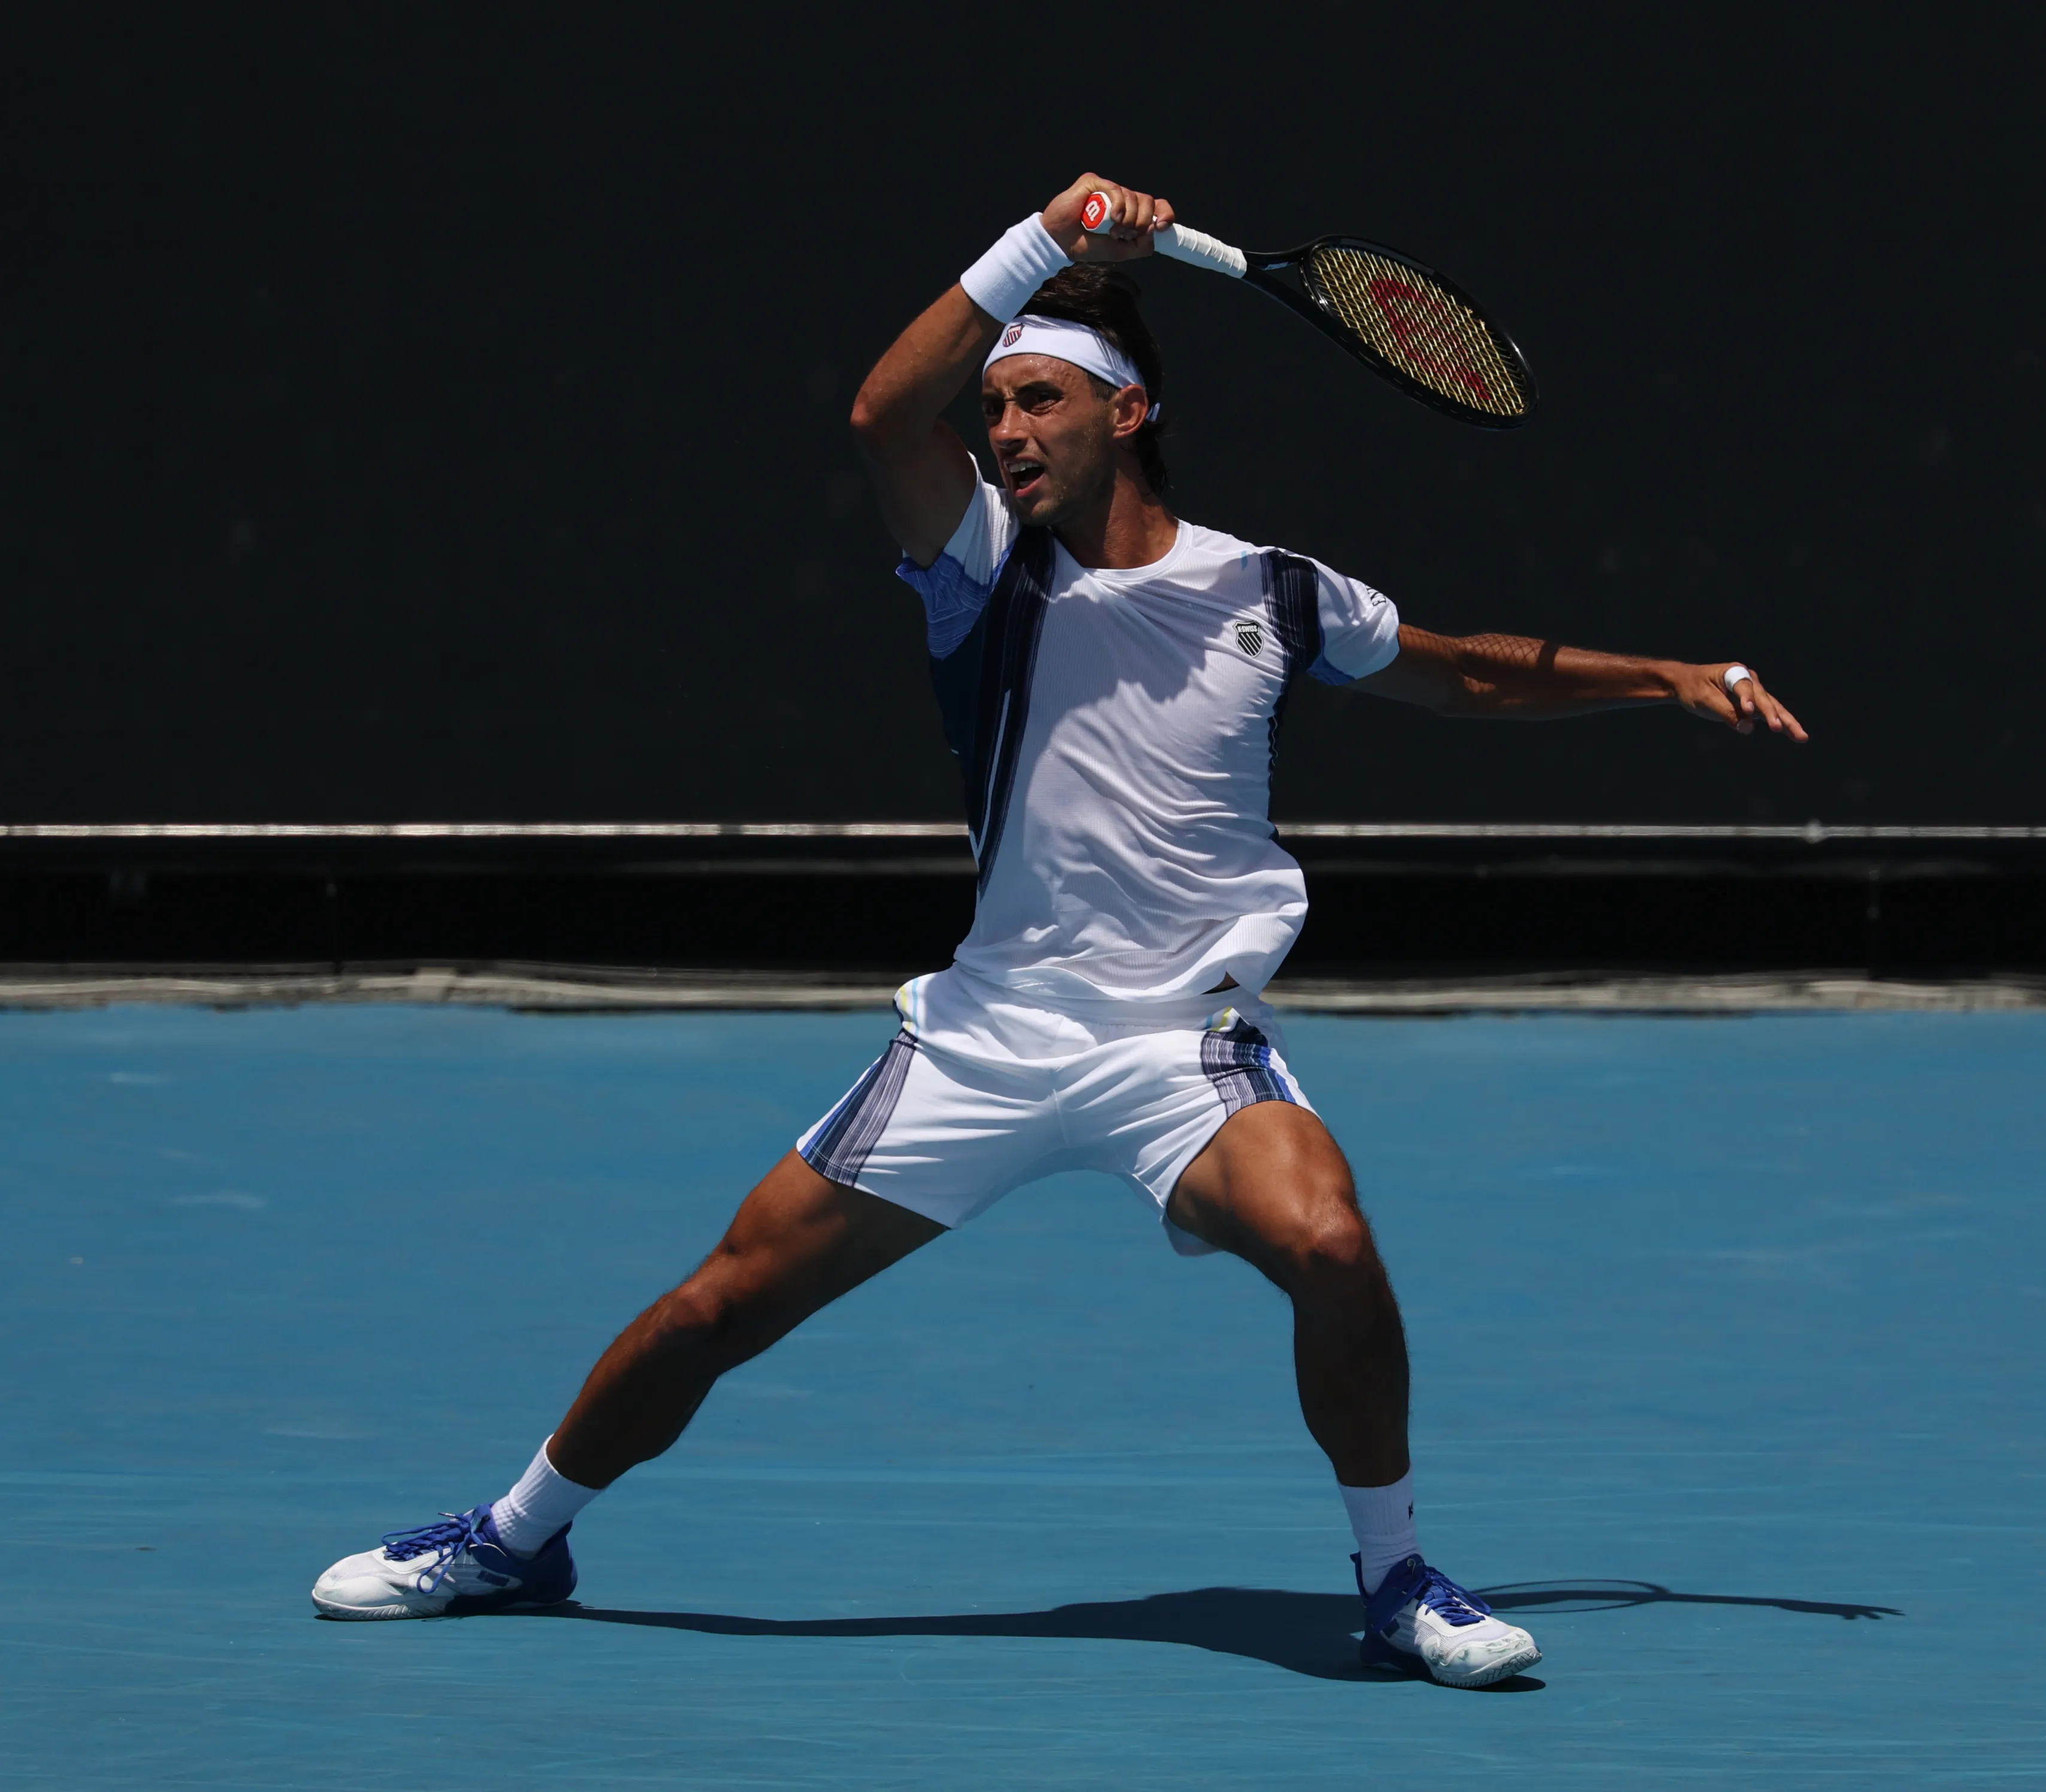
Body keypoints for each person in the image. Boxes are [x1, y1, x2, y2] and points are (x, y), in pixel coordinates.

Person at [310, 173, 1807, 1688]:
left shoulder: (1276, 592)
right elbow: (881, 418)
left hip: (1181, 1048)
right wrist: (1042, 238)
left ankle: (1399, 1576)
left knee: (1331, 1241)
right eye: (995, 407)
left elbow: (1464, 670)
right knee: (722, 1304)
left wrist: (1666, 678)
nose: (1006, 431)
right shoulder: (981, 571)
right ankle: (515, 1539)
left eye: (1038, 401)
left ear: (1128, 410)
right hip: (986, 1041)